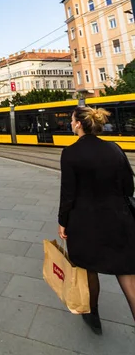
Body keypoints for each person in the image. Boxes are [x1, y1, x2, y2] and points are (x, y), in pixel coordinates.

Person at [58, 106, 135, 333]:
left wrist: (63, 221)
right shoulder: (114, 148)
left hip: (85, 222)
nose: (71, 124)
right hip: (119, 219)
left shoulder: (70, 153)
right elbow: (129, 187)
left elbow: (68, 195)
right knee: (128, 276)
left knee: (87, 268)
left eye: (72, 121)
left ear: (79, 124)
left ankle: (93, 317)